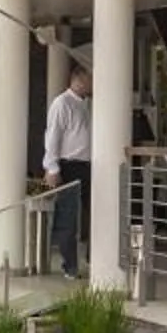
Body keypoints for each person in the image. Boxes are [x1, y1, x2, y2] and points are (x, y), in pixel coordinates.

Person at [41, 62, 92, 279]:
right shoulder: (62, 103)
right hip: (68, 164)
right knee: (68, 216)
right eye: (90, 79)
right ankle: (69, 265)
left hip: (89, 165)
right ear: (79, 79)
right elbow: (53, 136)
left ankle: (93, 259)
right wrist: (52, 167)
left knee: (96, 213)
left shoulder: (88, 104)